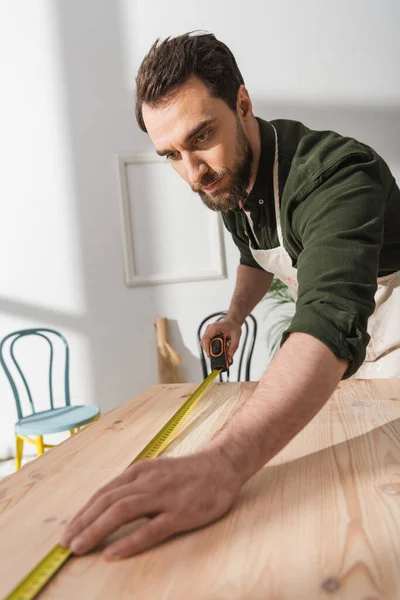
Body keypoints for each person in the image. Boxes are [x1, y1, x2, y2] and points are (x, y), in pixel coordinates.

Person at [60, 31, 400, 560]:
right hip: (337, 353)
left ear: (242, 104)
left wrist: (222, 464)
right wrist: (235, 318)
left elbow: (329, 319)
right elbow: (256, 256)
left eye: (200, 137)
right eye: (170, 154)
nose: (193, 173)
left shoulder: (337, 175)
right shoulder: (234, 184)